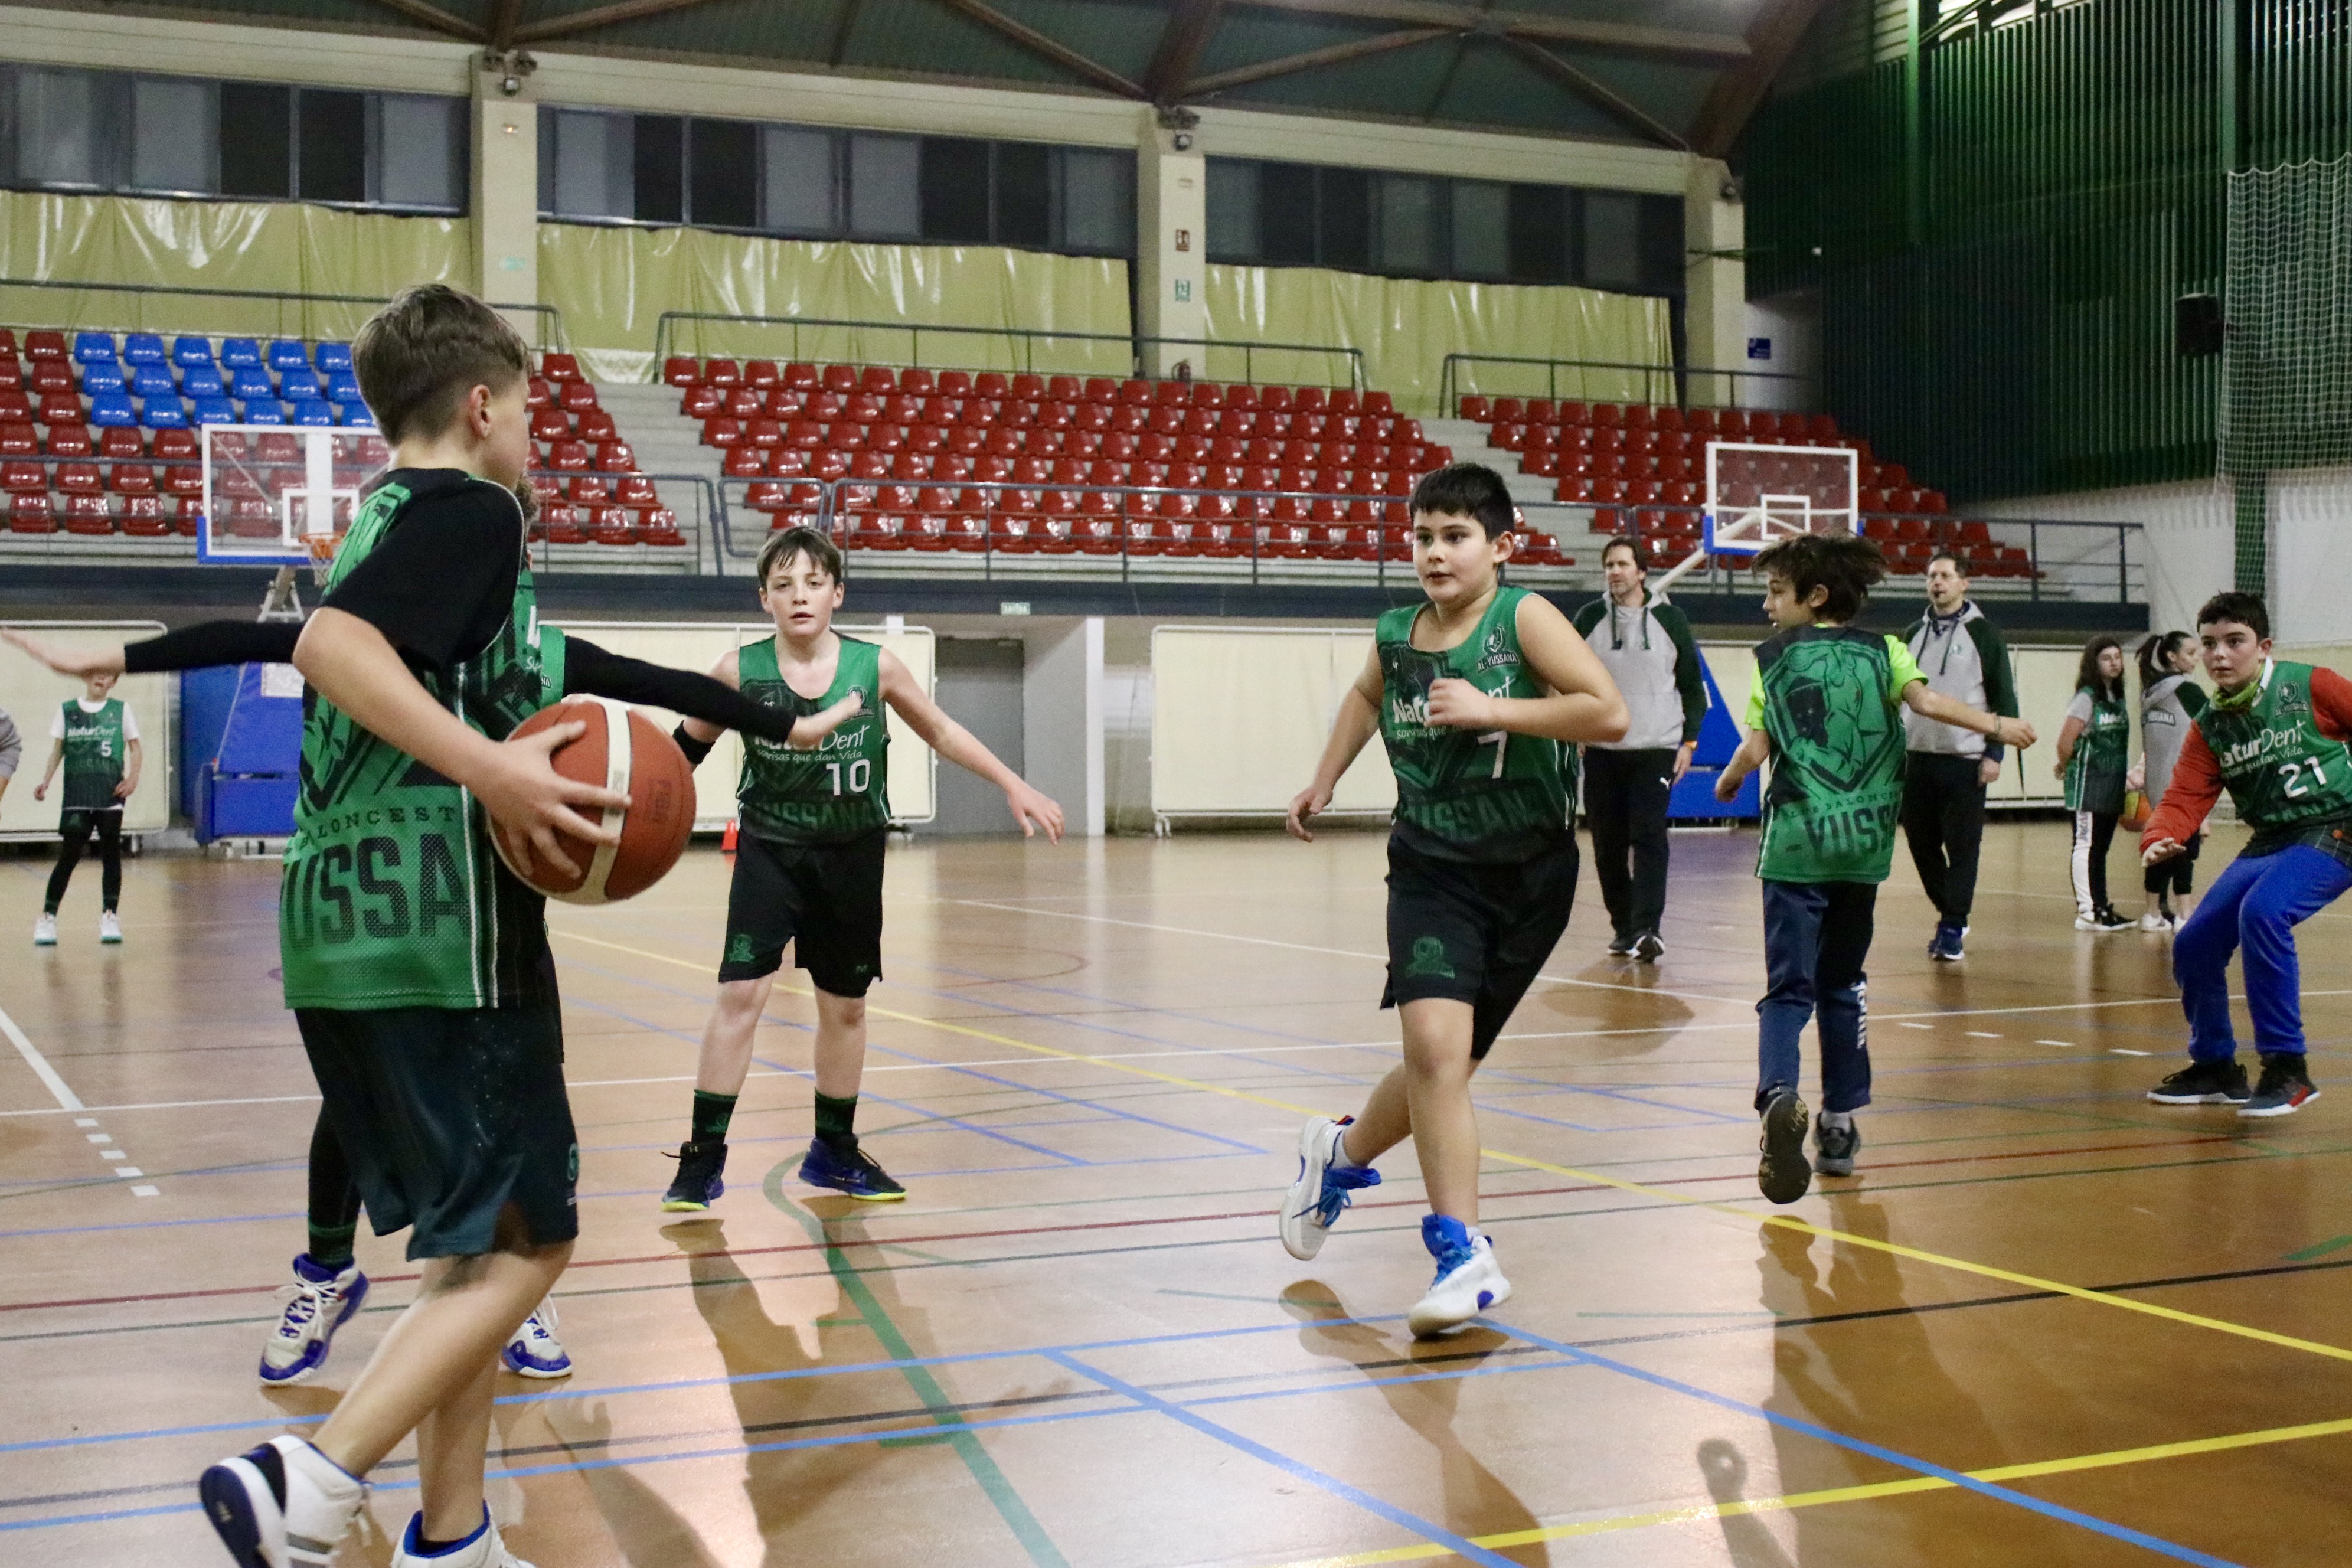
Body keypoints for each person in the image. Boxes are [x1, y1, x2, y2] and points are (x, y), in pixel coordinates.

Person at [6, 499, 847, 1403]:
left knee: (519, 1102)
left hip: (490, 919)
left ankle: (508, 1293)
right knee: (353, 1103)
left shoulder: (533, 654)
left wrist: (782, 727)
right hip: (377, 910)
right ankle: (327, 1268)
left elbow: (665, 682)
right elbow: (258, 641)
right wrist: (126, 657)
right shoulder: (365, 646)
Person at [1278, 463, 1628, 1335]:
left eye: (1456, 536)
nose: (1435, 553)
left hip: (1533, 871)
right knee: (1436, 1049)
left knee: (1451, 1068)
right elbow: (1367, 695)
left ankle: (1341, 1155)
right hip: (1432, 864)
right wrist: (1323, 778)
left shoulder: (1526, 620)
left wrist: (1495, 710)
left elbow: (1608, 713)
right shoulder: (1397, 632)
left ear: (1501, 546)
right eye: (1424, 535)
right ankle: (1462, 1251)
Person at [659, 524, 1064, 1214]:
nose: (799, 596)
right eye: (783, 585)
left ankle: (833, 1151)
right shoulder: (739, 670)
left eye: (813, 583)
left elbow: (941, 730)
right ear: (765, 599)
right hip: (771, 849)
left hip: (851, 852)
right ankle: (701, 1161)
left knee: (844, 1007)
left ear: (837, 593)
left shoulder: (876, 668)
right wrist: (636, 813)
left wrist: (1011, 781)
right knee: (741, 998)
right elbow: (682, 751)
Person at [1713, 534, 2033, 1204]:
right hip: (1860, 850)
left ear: (1815, 596)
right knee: (1844, 982)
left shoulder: (1773, 661)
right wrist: (1998, 725)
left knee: (1786, 990)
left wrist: (1728, 781)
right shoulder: (1887, 650)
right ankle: (1838, 1123)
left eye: (1777, 591)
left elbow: (1755, 745)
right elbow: (1930, 705)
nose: (1768, 605)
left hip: (1796, 847)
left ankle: (1779, 1093)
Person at [2142, 593, 2351, 1118]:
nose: (2219, 655)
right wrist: (2159, 836)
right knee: (2194, 943)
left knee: (2264, 913)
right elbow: (2184, 796)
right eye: (2209, 644)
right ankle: (2216, 1067)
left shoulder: (2311, 685)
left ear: (2263, 647)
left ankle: (2288, 1069)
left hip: (2336, 826)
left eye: (2235, 642)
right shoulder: (2211, 724)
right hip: (2271, 839)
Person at [1570, 536, 1706, 962]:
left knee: (1649, 836)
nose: (1615, 571)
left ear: (1642, 572)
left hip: (1656, 748)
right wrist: (1573, 728)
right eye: (1609, 564)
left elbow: (1691, 688)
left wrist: (1689, 741)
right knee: (1607, 844)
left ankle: (1649, 928)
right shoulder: (1588, 618)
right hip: (1603, 749)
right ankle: (1624, 927)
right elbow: (1566, 675)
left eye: (1623, 564)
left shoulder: (1673, 620)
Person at [1898, 550, 2017, 961]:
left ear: (1964, 583)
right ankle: (1952, 911)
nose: (1938, 583)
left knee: (1963, 847)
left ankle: (1952, 926)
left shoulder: (1984, 634)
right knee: (1920, 842)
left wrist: (1995, 752)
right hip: (1917, 758)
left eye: (1946, 576)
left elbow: (2004, 697)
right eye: (1932, 576)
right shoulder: (1913, 632)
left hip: (1966, 760)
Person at [30, 668, 139, 945]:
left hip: (110, 796)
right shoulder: (67, 711)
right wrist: (46, 781)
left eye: (107, 676)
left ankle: (110, 916)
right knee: (69, 855)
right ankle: (47, 918)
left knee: (111, 855)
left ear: (114, 682)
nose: (100, 679)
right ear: (86, 677)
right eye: (95, 674)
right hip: (77, 795)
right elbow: (58, 749)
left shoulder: (121, 710)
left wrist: (133, 778)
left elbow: (136, 748)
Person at [2055, 635, 2135, 932]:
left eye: (2117, 656)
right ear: (2093, 663)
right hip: (2087, 785)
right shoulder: (2086, 697)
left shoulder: (2118, 695)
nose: (2114, 662)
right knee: (2085, 846)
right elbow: (2065, 742)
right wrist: (2066, 768)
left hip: (2111, 784)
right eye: (2106, 658)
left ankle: (2102, 906)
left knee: (2100, 849)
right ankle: (2087, 912)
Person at [2132, 630, 2207, 931]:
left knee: (2160, 850)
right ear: (2172, 657)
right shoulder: (2187, 690)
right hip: (2183, 787)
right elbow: (2219, 725)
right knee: (2184, 852)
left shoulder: (2150, 693)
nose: (2197, 658)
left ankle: (2152, 914)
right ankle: (2185, 914)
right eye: (2191, 653)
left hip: (2156, 786)